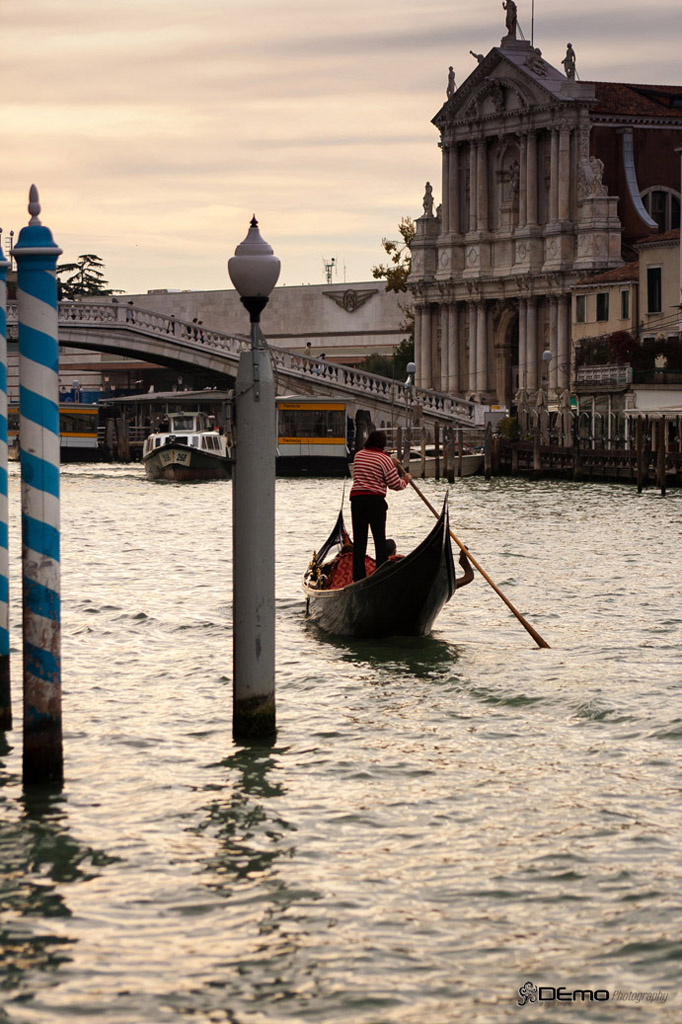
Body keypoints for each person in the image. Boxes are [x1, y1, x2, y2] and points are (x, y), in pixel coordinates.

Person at [350, 430, 411, 581]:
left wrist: (391, 461)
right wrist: (406, 480)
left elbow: (375, 461)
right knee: (379, 540)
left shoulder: (358, 455)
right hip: (375, 502)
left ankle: (358, 578)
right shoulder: (384, 460)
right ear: (382, 444)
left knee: (359, 541)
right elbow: (395, 484)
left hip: (357, 501)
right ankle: (381, 577)